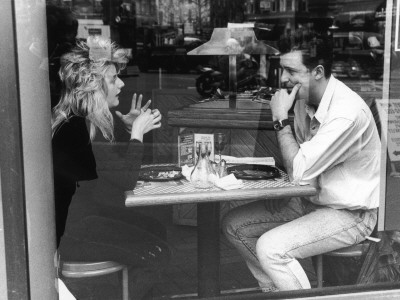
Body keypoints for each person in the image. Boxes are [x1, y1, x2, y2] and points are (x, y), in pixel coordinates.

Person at [222, 35, 380, 292]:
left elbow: (300, 169)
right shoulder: (304, 101)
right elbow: (296, 159)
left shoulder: (347, 113)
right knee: (234, 225)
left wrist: (280, 119)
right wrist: (284, 192)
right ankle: (277, 292)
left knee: (271, 248)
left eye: (292, 71)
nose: (283, 79)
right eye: (282, 69)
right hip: (309, 200)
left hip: (350, 214)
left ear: (318, 72)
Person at [52, 35, 170, 299]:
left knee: (155, 229)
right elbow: (125, 180)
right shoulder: (78, 129)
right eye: (113, 78)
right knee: (157, 251)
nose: (121, 83)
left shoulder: (81, 121)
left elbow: (108, 172)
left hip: (81, 221)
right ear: (93, 85)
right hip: (74, 234)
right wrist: (137, 135)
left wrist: (128, 130)